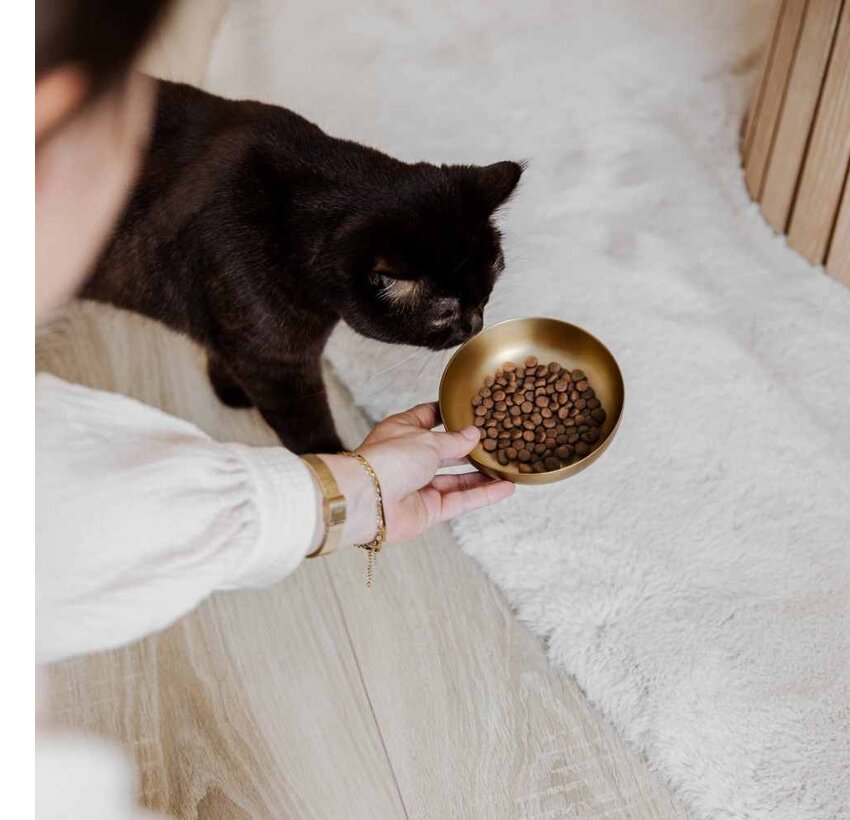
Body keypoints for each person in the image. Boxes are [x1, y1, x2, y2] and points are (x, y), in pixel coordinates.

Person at [35, 0, 514, 815]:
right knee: (266, 349)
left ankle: (226, 353)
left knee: (246, 326)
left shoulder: (300, 162)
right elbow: (88, 502)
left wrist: (336, 497)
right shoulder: (271, 282)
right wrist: (341, 470)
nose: (472, 331)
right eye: (449, 317)